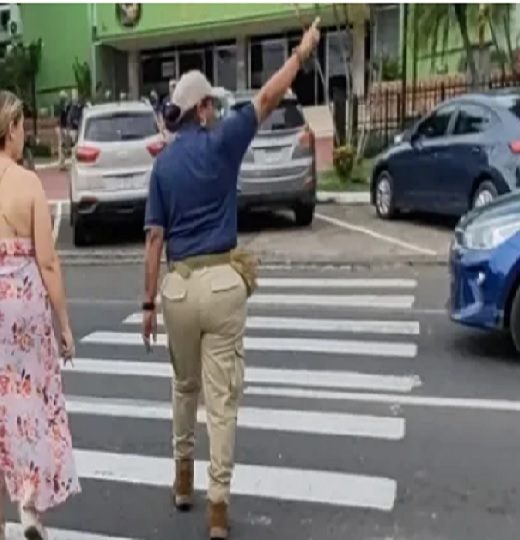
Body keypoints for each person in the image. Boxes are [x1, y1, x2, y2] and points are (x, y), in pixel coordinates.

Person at [141, 19, 321, 540]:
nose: (216, 110)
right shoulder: (223, 142)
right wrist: (301, 53)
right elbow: (268, 96)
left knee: (183, 387)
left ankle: (181, 481)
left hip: (176, 289)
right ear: (202, 109)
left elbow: (154, 239)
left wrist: (148, 305)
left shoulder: (163, 166)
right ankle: (217, 507)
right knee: (221, 402)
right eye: (211, 104)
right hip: (222, 285)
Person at [0, 85, 80, 540]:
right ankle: (29, 507)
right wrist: (64, 325)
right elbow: (48, 261)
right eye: (23, 127)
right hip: (21, 304)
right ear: (14, 131)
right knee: (27, 405)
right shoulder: (29, 184)